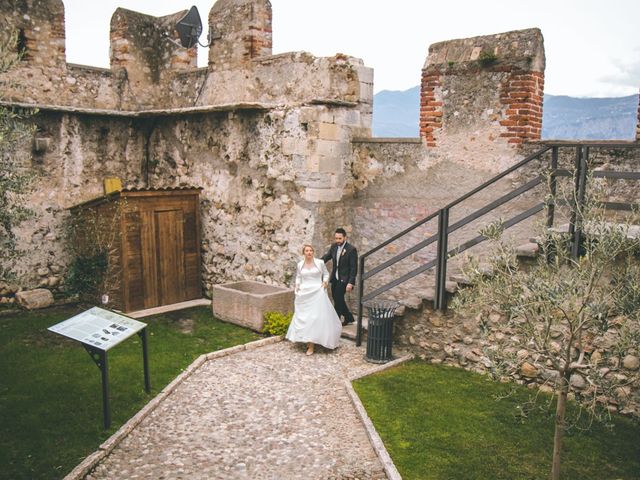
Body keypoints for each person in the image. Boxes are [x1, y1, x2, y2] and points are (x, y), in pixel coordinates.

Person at [286, 244, 342, 355]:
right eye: (307, 250)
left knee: (314, 318)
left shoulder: (320, 263)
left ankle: (311, 345)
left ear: (313, 252)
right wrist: (297, 285)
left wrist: (325, 282)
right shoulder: (300, 264)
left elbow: (326, 274)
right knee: (304, 317)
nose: (309, 252)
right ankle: (307, 339)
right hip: (304, 293)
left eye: (311, 250)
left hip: (317, 292)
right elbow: (298, 277)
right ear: (304, 253)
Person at [322, 227, 358, 326]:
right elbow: (327, 257)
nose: (337, 240)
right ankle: (349, 317)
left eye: (339, 238)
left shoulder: (351, 249)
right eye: (336, 238)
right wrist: (316, 263)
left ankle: (335, 322)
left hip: (344, 279)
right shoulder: (334, 246)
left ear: (345, 238)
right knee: (336, 297)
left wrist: (350, 282)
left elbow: (353, 268)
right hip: (335, 278)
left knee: (338, 299)